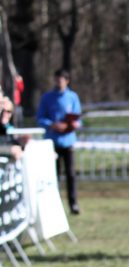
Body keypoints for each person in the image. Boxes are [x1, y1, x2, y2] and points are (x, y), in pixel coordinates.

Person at [36, 68, 82, 214]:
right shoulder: (47, 97)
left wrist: (75, 124)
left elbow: (78, 118)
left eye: (60, 80)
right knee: (52, 176)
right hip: (52, 142)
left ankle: (73, 204)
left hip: (68, 141)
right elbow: (40, 118)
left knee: (70, 174)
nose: (58, 82)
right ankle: (52, 205)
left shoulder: (72, 97)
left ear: (67, 81)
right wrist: (52, 125)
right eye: (56, 79)